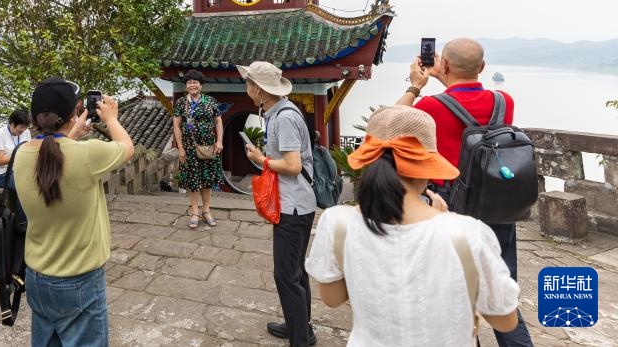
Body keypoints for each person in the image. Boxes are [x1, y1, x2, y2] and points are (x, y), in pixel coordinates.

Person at [304, 105, 520, 346]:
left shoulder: (336, 223)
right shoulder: (467, 234)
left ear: (370, 162)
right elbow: (505, 321)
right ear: (425, 167)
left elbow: (333, 298)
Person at [397, 37, 534, 347]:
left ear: (443, 64)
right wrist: (447, 73)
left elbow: (390, 124)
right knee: (501, 294)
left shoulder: (431, 106)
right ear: (482, 68)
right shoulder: (504, 101)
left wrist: (417, 85)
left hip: (451, 208)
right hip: (498, 207)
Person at [13, 78, 134, 346]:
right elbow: (127, 147)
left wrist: (70, 132)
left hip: (37, 277)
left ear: (35, 117)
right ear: (74, 113)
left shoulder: (20, 155)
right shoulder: (87, 155)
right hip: (80, 279)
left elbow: (51, 153)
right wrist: (111, 118)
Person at [240, 61, 317, 347]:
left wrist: (262, 161)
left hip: (293, 206)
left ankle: (300, 339)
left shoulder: (283, 118)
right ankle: (301, 327)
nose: (246, 88)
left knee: (286, 274)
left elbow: (293, 165)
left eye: (249, 83)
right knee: (295, 271)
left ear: (259, 90)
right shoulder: (280, 111)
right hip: (296, 203)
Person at [171, 69, 224, 228]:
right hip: (188, 148)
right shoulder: (181, 103)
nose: (192, 85)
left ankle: (206, 211)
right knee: (192, 180)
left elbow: (218, 121)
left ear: (201, 85)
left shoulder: (210, 101)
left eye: (195, 82)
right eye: (189, 82)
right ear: (186, 85)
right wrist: (180, 148)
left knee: (207, 180)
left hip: (208, 146)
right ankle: (194, 211)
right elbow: (177, 126)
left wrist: (219, 141)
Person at [0, 108, 31, 188]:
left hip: (19, 171)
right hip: (1, 174)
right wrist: (20, 156)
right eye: (21, 127)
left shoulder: (26, 132)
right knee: (24, 185)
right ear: (12, 123)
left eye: (26, 127)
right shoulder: (0, 134)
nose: (23, 130)